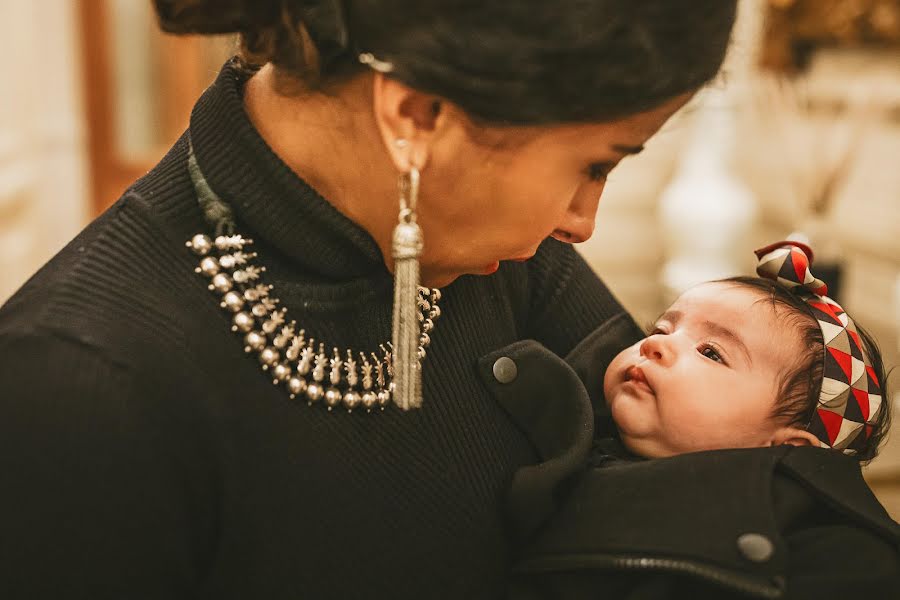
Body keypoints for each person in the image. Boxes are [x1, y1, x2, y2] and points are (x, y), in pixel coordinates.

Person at [0, 1, 778, 597]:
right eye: (595, 164)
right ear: (417, 116)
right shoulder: (77, 393)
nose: (581, 221)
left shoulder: (501, 255)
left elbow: (721, 483)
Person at [491, 243, 899, 598]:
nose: (656, 344)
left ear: (783, 448)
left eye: (711, 353)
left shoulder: (825, 547)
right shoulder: (577, 430)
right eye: (664, 327)